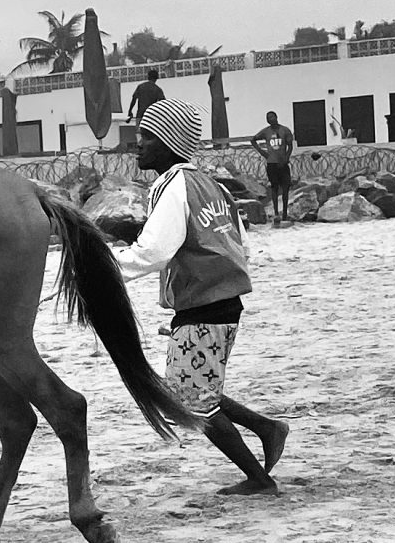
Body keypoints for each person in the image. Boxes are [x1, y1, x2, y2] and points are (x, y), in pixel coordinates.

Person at [117, 99, 289, 491]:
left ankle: (259, 479)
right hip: (224, 303)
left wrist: (101, 271)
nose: (138, 144)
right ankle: (267, 428)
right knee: (195, 389)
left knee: (189, 399)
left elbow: (154, 251)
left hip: (204, 306)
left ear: (169, 141)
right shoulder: (212, 186)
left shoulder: (175, 187)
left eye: (147, 136)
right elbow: (242, 246)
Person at [251, 109, 295, 225]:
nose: (271, 119)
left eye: (272, 117)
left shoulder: (285, 130)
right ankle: (276, 213)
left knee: (285, 188)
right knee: (274, 188)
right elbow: (253, 140)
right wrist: (263, 153)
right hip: (271, 164)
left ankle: (285, 213)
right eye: (268, 118)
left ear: (276, 117)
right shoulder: (266, 132)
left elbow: (290, 146)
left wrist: (286, 158)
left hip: (283, 164)